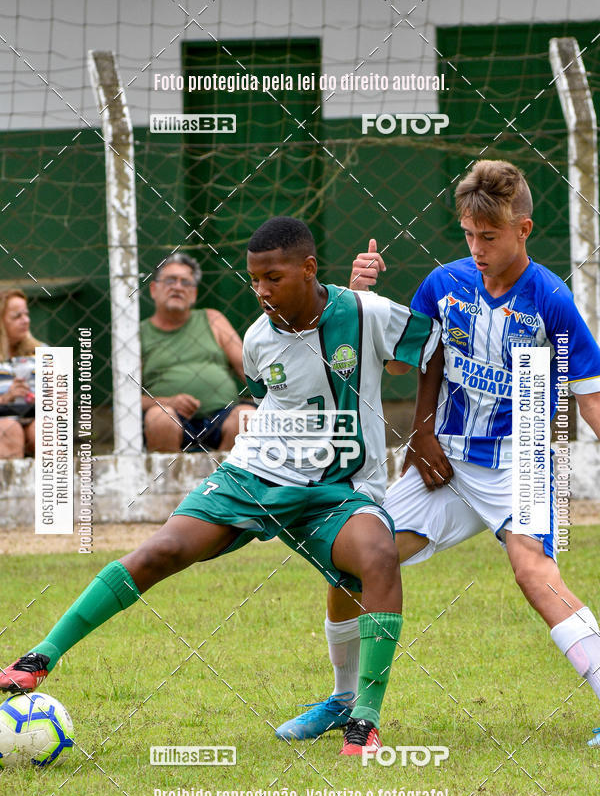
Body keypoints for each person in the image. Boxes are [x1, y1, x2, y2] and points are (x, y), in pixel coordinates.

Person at [0, 217, 441, 756]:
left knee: (375, 558)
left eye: (273, 278)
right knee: (161, 550)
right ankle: (39, 656)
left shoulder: (365, 312)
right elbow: (277, 395)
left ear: (308, 269)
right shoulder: (258, 339)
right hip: (256, 474)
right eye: (254, 280)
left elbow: (428, 352)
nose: (261, 291)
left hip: (341, 486)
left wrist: (423, 435)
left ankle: (362, 718)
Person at [276, 160, 600, 748]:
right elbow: (408, 359)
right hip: (444, 460)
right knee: (354, 556)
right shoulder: (444, 284)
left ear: (523, 229)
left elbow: (590, 397)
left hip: (519, 461)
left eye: (490, 236)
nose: (476, 247)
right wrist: (360, 296)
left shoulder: (551, 299)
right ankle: (343, 700)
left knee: (533, 570)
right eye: (469, 234)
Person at [141, 252, 256, 452]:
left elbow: (248, 370)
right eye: (170, 280)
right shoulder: (138, 334)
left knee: (247, 417)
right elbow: (124, 399)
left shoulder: (212, 320)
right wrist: (168, 402)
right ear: (153, 289)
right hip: (170, 416)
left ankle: (223, 482)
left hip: (223, 414)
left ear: (194, 294)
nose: (177, 287)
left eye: (185, 282)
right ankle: (170, 483)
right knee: (160, 419)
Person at [0, 289, 42, 458]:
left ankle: (54, 484)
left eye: (26, 314)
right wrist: (6, 398)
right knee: (11, 430)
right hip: (3, 418)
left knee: (44, 432)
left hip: (35, 415)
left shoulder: (40, 351)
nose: (26, 321)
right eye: (17, 316)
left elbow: (61, 398)